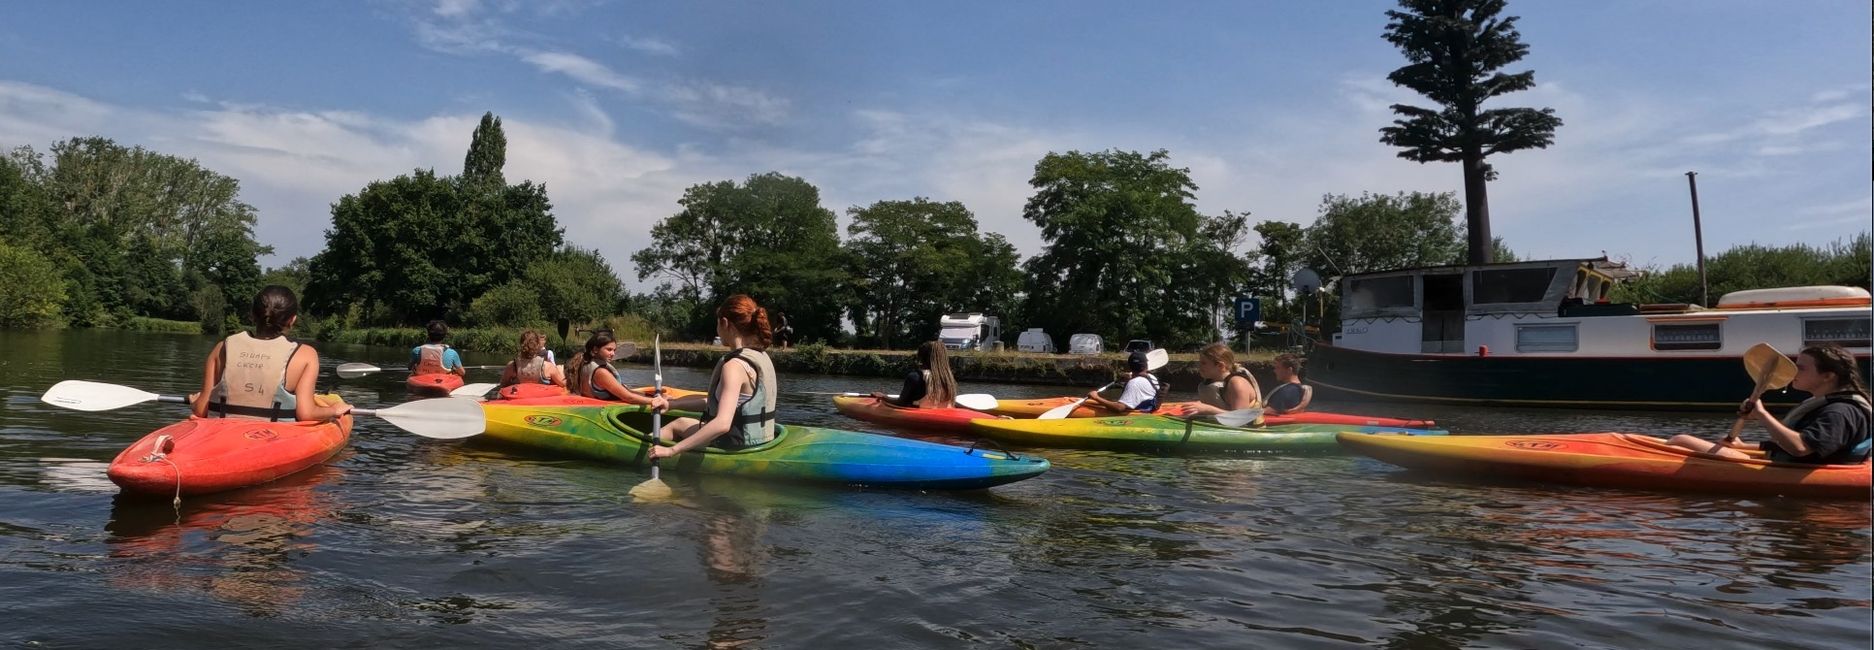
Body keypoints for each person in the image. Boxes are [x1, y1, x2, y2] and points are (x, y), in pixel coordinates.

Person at [1667, 344, 1872, 463]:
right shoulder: (1833, 406)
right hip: (1789, 465)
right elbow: (1802, 444)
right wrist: (1744, 446)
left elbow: (1801, 447)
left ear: (1828, 376)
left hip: (1794, 471)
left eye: (1801, 368)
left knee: (1681, 440)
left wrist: (1763, 415)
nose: (1793, 372)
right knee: (1682, 442)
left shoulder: (1840, 412)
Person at [192, 285, 350, 422]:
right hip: (273, 436)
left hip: (220, 431)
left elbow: (201, 410)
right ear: (292, 320)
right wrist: (334, 410)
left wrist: (196, 401)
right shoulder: (306, 355)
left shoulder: (222, 348)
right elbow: (306, 413)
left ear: (252, 315)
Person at [650, 294, 779, 457]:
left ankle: (641, 450)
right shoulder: (760, 356)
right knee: (681, 422)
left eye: (717, 323)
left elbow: (722, 424)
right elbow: (714, 403)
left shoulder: (734, 366)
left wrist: (672, 450)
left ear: (725, 323)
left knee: (676, 427)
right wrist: (672, 404)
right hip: (760, 440)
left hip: (733, 445)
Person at [565, 331, 665, 408]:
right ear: (595, 349)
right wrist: (656, 401)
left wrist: (650, 395)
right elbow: (628, 397)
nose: (613, 354)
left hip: (591, 404)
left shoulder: (584, 362)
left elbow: (626, 391)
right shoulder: (601, 372)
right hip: (602, 409)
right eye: (609, 350)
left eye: (614, 350)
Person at [870, 341, 958, 409]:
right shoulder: (949, 379)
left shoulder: (915, 377)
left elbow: (901, 403)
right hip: (944, 414)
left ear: (921, 358)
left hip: (922, 417)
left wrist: (883, 397)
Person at [1183, 343, 1261, 416]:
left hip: (1246, 427)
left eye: (1203, 363)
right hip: (1218, 425)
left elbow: (1241, 418)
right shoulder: (1210, 382)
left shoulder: (1237, 383)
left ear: (1220, 366)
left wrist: (1206, 409)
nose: (1199, 366)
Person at [1084, 349, 1161, 414]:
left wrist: (1096, 397)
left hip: (1138, 416)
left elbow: (1119, 408)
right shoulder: (1152, 377)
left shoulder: (1134, 383)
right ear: (1146, 365)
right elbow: (1140, 389)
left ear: (1129, 366)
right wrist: (1130, 379)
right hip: (1150, 408)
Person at [499, 329, 566, 388]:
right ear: (537, 345)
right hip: (541, 400)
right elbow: (563, 384)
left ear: (521, 344)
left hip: (520, 400)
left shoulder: (512, 366)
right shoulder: (548, 367)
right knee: (560, 368)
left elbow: (503, 385)